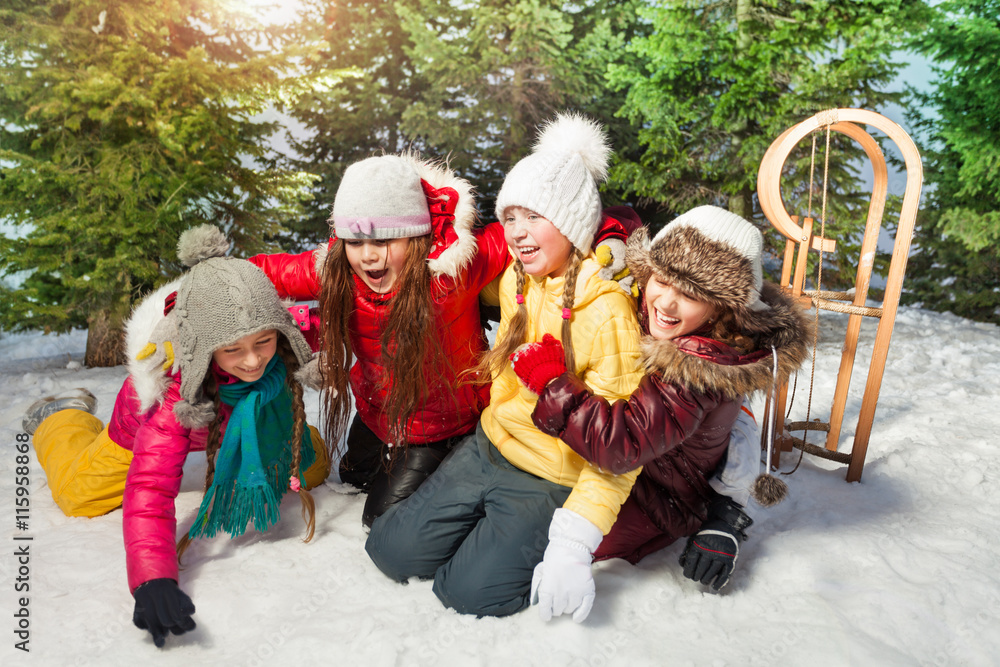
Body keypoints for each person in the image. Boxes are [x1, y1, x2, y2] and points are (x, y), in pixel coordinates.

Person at [248, 152, 635, 528]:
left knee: (380, 518)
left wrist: (611, 235)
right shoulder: (338, 273)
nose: (367, 257)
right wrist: (195, 294)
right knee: (351, 478)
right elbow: (267, 272)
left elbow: (556, 217)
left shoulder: (456, 267)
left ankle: (453, 454)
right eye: (355, 242)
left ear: (416, 236)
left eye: (384, 242)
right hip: (376, 413)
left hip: (439, 425)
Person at [365, 112, 645, 621]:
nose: (517, 232)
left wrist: (573, 542)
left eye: (535, 216)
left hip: (550, 475)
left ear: (573, 225)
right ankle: (479, 532)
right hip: (489, 446)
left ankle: (510, 547)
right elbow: (457, 273)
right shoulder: (518, 279)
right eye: (510, 217)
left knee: (469, 594)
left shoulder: (606, 310)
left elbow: (619, 448)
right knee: (388, 550)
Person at [24, 225, 329, 647]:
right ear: (203, 347)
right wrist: (153, 579)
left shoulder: (282, 348)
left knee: (311, 466)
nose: (254, 360)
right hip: (139, 430)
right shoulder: (171, 394)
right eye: (232, 349)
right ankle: (65, 417)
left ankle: (268, 435)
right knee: (80, 493)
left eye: (264, 341)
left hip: (234, 425)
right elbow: (151, 487)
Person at [512, 205, 812, 591]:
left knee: (527, 543)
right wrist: (610, 239)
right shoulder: (662, 314)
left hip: (659, 499)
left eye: (689, 294)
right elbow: (612, 216)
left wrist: (553, 382)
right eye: (662, 280)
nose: (666, 302)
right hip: (627, 471)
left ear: (723, 308)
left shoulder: (698, 369)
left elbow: (621, 444)